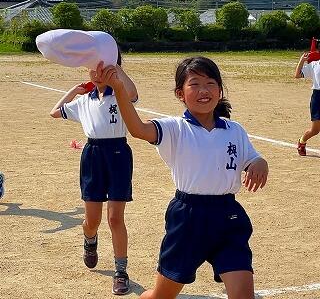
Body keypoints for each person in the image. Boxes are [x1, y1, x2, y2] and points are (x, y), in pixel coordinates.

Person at [91, 56, 269, 299]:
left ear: (219, 90)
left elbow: (252, 158)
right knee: (160, 297)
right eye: (194, 84)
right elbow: (138, 129)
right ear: (180, 93)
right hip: (188, 218)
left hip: (229, 216)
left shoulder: (234, 130)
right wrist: (119, 89)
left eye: (210, 83)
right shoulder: (175, 128)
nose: (203, 90)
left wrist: (261, 163)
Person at [50, 51, 138, 296]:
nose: (98, 75)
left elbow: (132, 93)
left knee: (115, 219)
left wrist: (116, 68)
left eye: (103, 69)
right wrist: (73, 92)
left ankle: (121, 271)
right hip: (92, 156)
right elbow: (55, 112)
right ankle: (89, 240)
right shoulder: (84, 100)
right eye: (93, 70)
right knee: (93, 221)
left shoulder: (120, 92)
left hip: (119, 154)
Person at [295, 50, 320, 156]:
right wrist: (302, 60)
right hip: (318, 97)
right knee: (315, 130)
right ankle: (302, 141)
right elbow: (297, 75)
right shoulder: (314, 64)